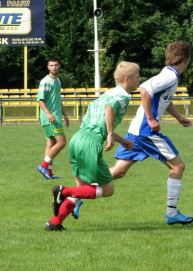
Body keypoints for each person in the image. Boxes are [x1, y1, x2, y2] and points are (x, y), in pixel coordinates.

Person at [45, 61, 141, 231]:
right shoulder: (124, 96)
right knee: (108, 189)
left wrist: (121, 140)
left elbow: (98, 117)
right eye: (137, 77)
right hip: (90, 143)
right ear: (127, 79)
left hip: (78, 138)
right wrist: (111, 134)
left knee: (81, 189)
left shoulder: (107, 93)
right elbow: (110, 109)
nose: (139, 80)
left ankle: (54, 223)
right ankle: (63, 190)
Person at [110, 41, 192, 225]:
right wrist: (151, 119)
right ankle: (172, 213)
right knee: (178, 167)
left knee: (118, 171)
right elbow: (145, 89)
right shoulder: (170, 76)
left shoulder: (169, 74)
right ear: (186, 60)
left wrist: (179, 117)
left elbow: (163, 99)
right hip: (146, 132)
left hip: (136, 130)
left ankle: (76, 194)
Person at [36, 58, 70, 179]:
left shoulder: (58, 81)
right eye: (51, 65)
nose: (54, 67)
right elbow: (40, 100)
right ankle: (43, 166)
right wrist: (49, 113)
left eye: (56, 65)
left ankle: (48, 173)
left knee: (51, 143)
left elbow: (58, 100)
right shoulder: (45, 81)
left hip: (56, 117)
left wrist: (65, 115)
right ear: (48, 67)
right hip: (50, 118)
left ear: (59, 66)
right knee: (62, 142)